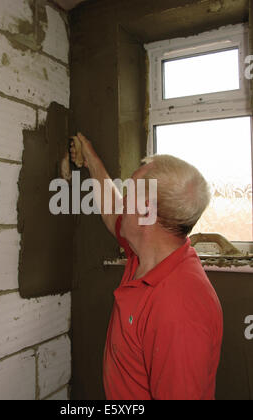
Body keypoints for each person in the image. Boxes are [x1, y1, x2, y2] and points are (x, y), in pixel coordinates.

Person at [70, 132, 223, 401]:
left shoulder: (179, 309)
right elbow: (112, 212)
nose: (123, 199)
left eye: (128, 191)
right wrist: (91, 159)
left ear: (145, 212)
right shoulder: (147, 254)